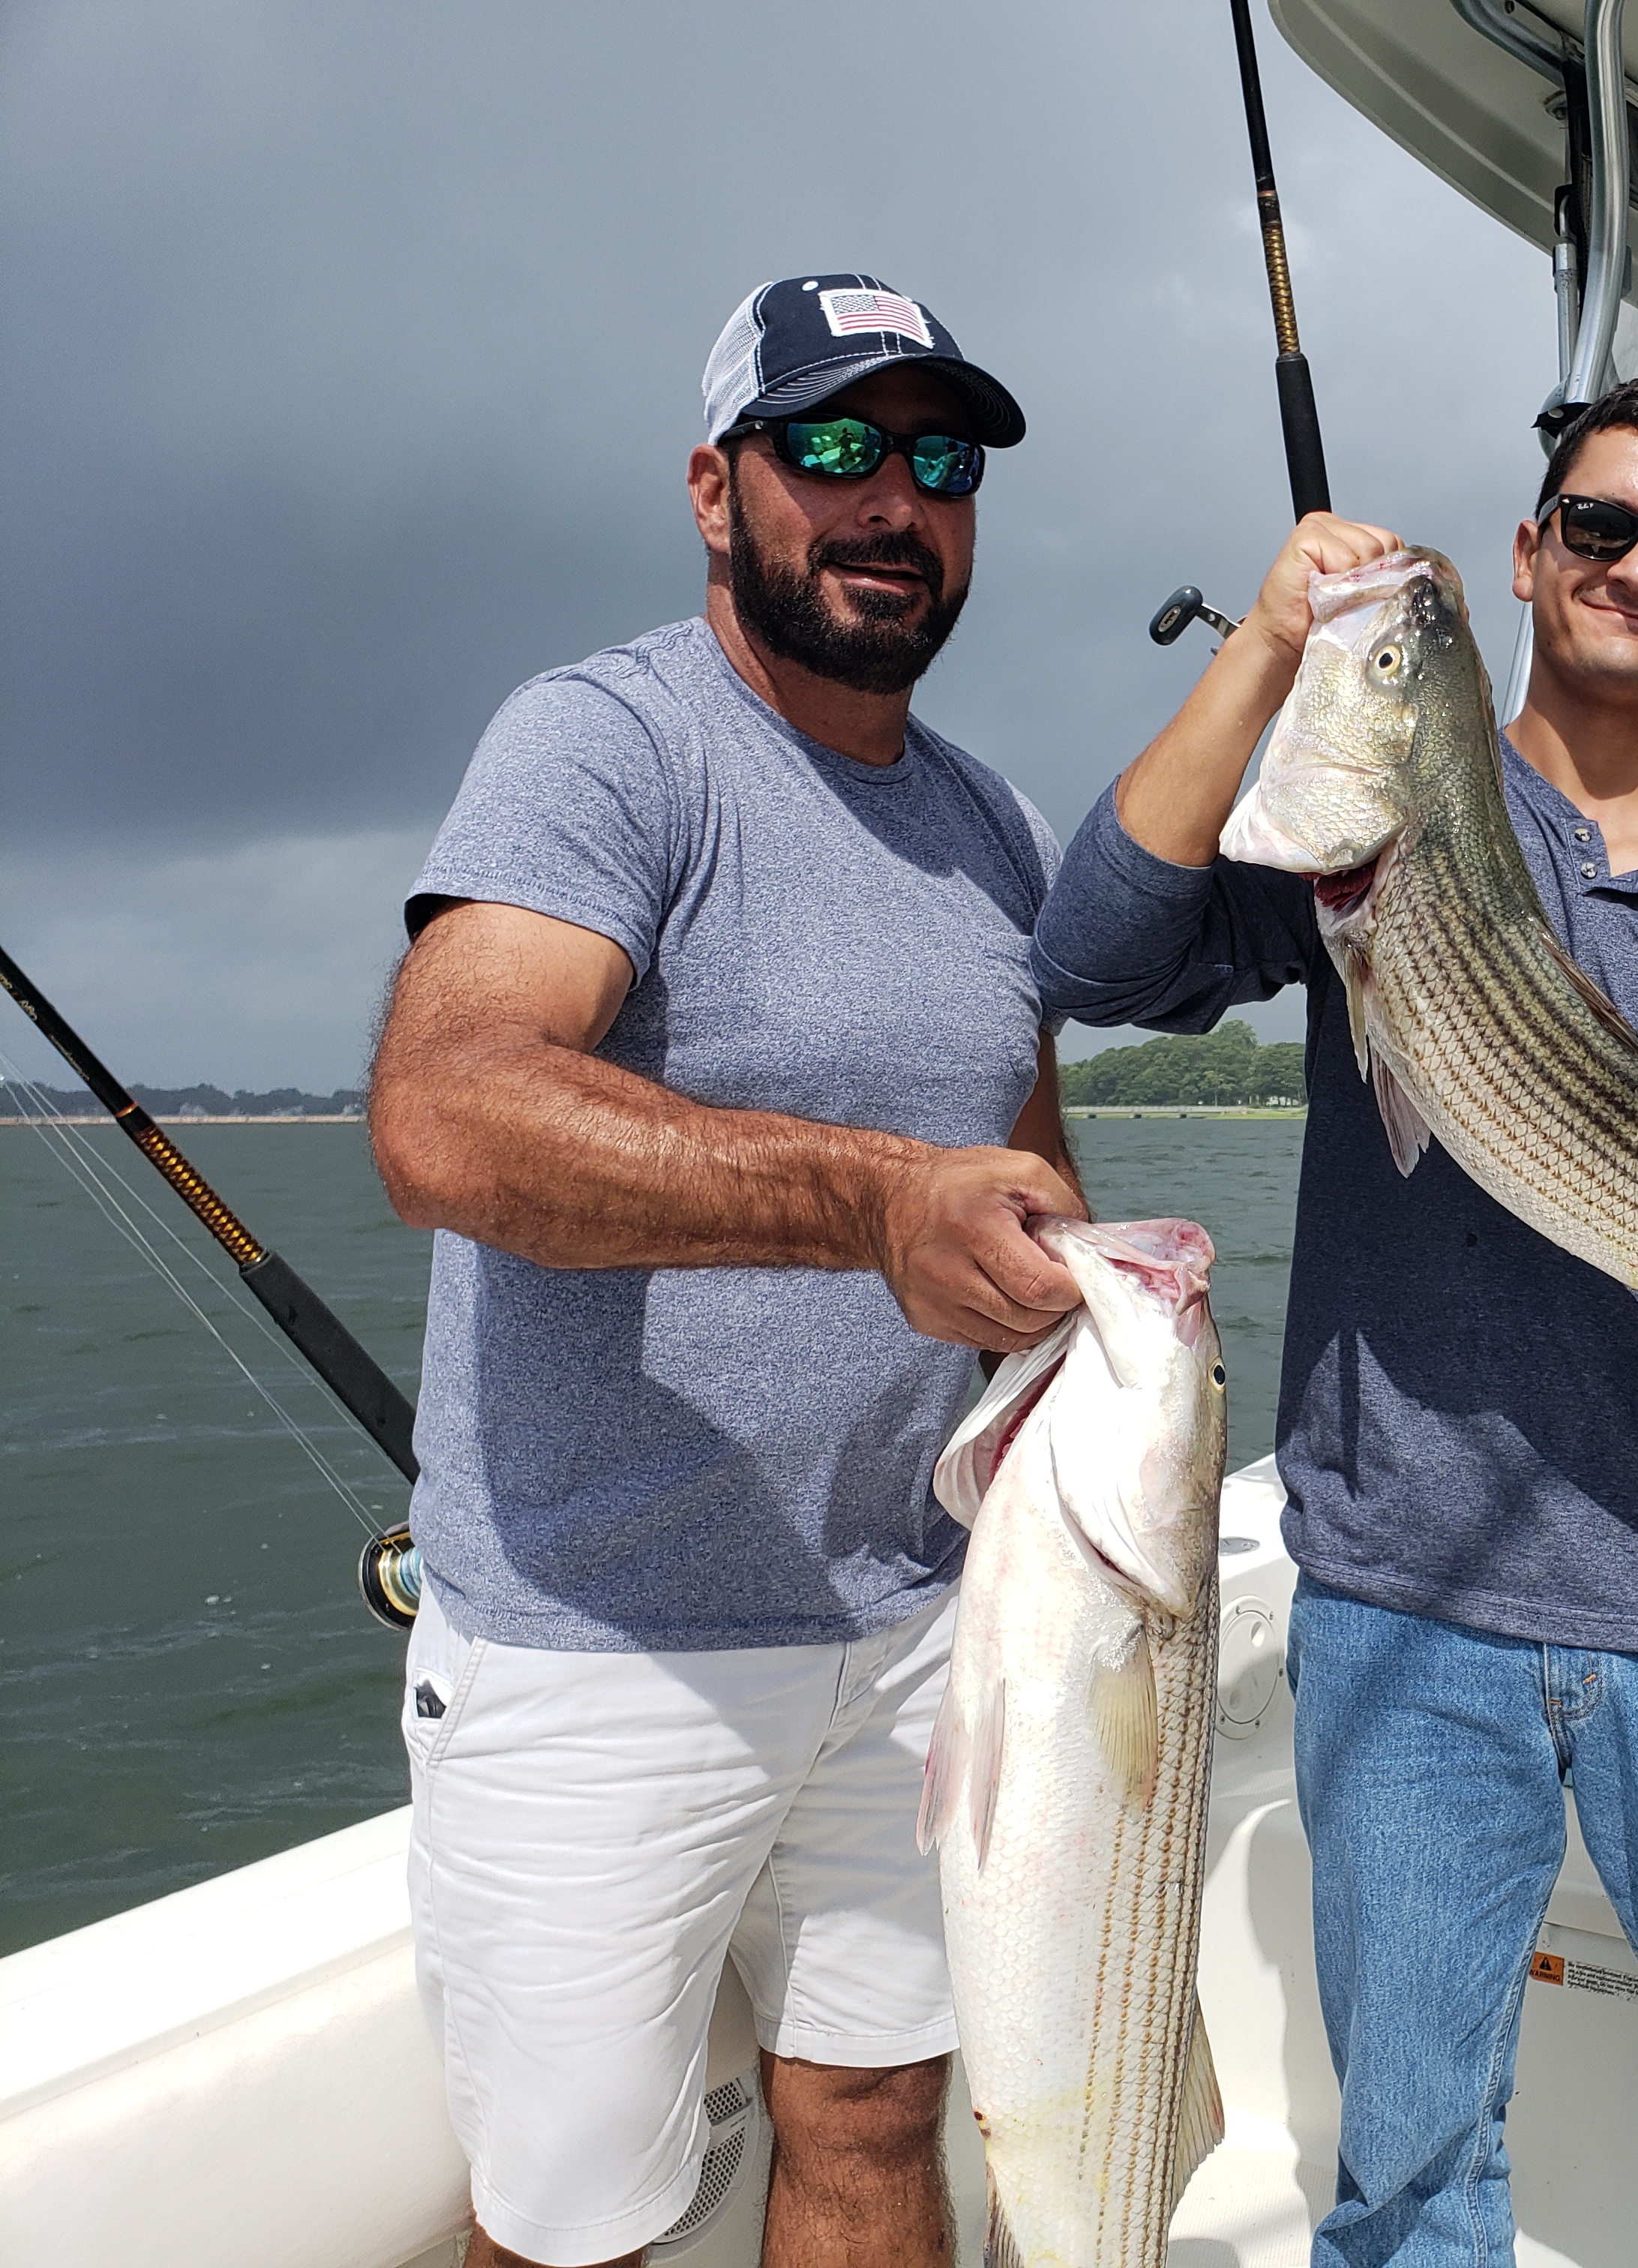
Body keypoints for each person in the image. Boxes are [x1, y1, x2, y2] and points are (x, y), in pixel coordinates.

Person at [1032, 376, 1638, 2266]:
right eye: (1597, 526)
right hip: (1403, 1610)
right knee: (1413, 2183)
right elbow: (1094, 954)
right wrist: (1277, 643)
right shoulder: (1364, 831)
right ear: (1529, 556)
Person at [367, 273, 1082, 2268]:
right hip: (597, 1644)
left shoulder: (993, 830)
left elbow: (1024, 1176)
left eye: (939, 461)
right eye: (833, 446)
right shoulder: (603, 746)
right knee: (570, 2225)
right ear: (716, 488)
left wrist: (1097, 1368)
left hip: (917, 1630)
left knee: (872, 2124)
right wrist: (868, 1203)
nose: (893, 501)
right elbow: (449, 1111)